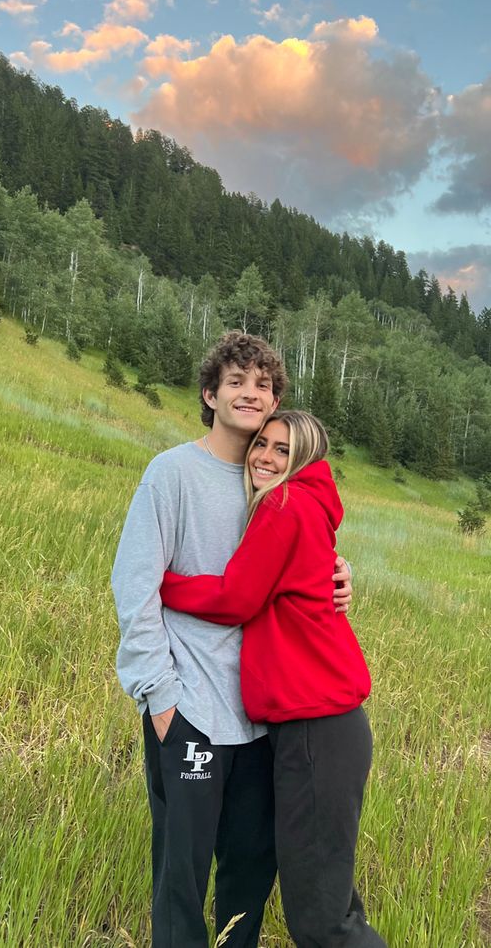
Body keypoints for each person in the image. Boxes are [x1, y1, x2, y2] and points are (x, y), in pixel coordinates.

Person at [111, 332, 352, 948]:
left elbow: (295, 567)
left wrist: (340, 575)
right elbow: (134, 588)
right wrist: (160, 700)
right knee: (181, 880)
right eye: (238, 381)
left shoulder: (274, 486)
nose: (253, 392)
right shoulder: (171, 473)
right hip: (190, 709)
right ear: (209, 394)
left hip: (262, 721)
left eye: (265, 385)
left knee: (250, 873)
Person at [160, 411, 386, 948]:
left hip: (315, 728)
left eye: (283, 450)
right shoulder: (310, 506)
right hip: (326, 726)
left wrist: (164, 584)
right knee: (331, 901)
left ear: (304, 459)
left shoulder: (284, 505)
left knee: (322, 919)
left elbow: (237, 598)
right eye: (262, 443)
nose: (265, 456)